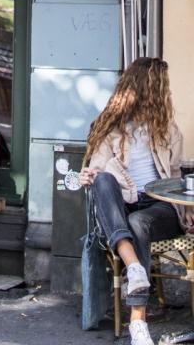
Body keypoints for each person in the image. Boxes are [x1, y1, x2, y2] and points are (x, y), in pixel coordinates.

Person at [79, 57, 194, 345]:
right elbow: (97, 167)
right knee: (103, 180)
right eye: (162, 87)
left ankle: (137, 321)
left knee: (139, 221)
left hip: (160, 209)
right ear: (149, 89)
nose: (166, 92)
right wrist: (88, 175)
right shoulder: (110, 128)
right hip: (124, 206)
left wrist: (188, 209)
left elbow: (178, 175)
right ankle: (135, 268)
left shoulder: (168, 129)